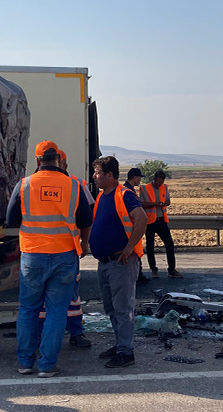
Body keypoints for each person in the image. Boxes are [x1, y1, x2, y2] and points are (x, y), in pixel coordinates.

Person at [6, 140, 92, 377]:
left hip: (33, 256)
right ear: (58, 159)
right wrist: (83, 244)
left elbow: (11, 220)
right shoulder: (73, 185)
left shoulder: (24, 185)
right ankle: (46, 365)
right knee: (56, 311)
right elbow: (86, 219)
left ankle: (25, 362)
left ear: (37, 160)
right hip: (65, 256)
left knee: (28, 309)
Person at [90, 156, 147, 368]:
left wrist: (130, 247)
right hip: (105, 262)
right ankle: (120, 344)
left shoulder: (124, 195)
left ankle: (126, 352)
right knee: (111, 307)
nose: (95, 177)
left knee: (123, 308)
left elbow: (141, 219)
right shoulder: (102, 197)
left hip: (120, 262)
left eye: (98, 173)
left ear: (110, 175)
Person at [140, 170, 182, 278]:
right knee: (150, 246)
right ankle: (153, 269)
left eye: (161, 182)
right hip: (150, 221)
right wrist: (153, 204)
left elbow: (168, 200)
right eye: (158, 182)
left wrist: (167, 203)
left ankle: (171, 269)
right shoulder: (145, 188)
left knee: (169, 244)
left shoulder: (165, 188)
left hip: (161, 220)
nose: (160, 184)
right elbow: (141, 204)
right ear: (154, 179)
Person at [125, 168, 150, 284]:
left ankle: (138, 275)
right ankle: (137, 276)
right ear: (135, 177)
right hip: (129, 231)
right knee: (134, 253)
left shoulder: (127, 190)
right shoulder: (128, 193)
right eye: (139, 177)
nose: (140, 180)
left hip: (128, 230)